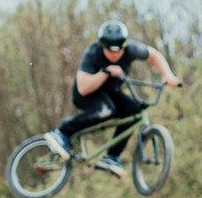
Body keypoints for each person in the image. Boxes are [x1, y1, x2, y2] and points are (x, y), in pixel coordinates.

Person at [44, 20, 180, 178]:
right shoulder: (93, 53)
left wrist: (168, 76)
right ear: (103, 46)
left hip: (110, 93)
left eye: (118, 51)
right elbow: (83, 87)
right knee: (106, 109)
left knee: (133, 111)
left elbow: (154, 56)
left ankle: (112, 157)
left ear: (124, 45)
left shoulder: (132, 50)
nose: (115, 55)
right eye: (110, 51)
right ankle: (61, 133)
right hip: (86, 94)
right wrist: (106, 72)